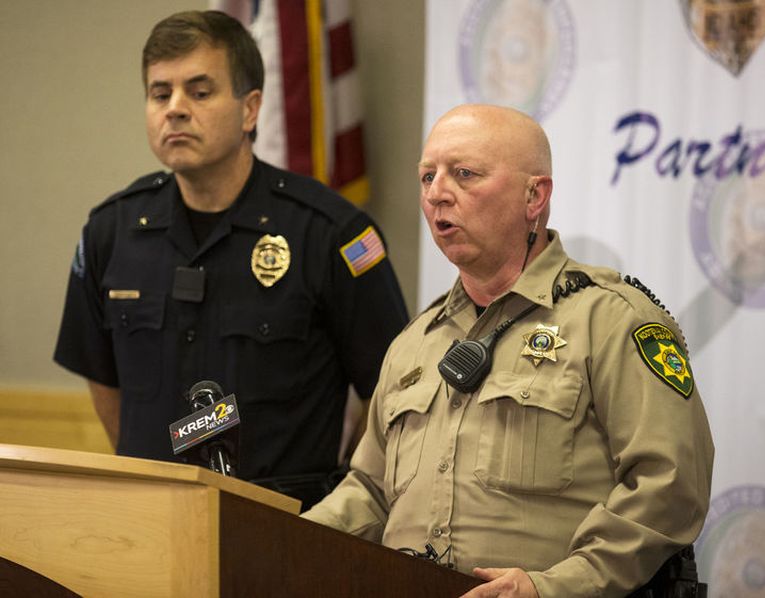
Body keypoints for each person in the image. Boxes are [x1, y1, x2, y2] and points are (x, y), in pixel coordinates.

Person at [302, 104, 714, 597]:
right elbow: (369, 491)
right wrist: (275, 539)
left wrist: (554, 587)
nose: (437, 194)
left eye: (464, 174)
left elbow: (669, 485)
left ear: (534, 196)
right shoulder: (414, 343)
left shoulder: (612, 319)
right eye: (427, 176)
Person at [53, 10, 408, 509]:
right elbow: (104, 382)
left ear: (250, 109)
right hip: (149, 515)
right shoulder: (111, 231)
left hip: (287, 525)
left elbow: (388, 391)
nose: (175, 109)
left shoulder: (329, 233)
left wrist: (340, 491)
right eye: (160, 93)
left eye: (199, 92)